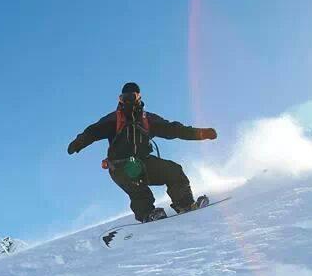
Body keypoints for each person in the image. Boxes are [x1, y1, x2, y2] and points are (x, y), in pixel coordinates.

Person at [67, 82, 218, 222]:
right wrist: (78, 143)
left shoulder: (147, 119)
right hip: (120, 166)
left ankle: (185, 204)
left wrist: (202, 133)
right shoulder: (114, 119)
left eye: (130, 97)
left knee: (174, 171)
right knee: (138, 188)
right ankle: (147, 213)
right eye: (123, 97)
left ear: (138, 97)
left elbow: (174, 129)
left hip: (142, 162)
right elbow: (92, 131)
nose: (126, 101)